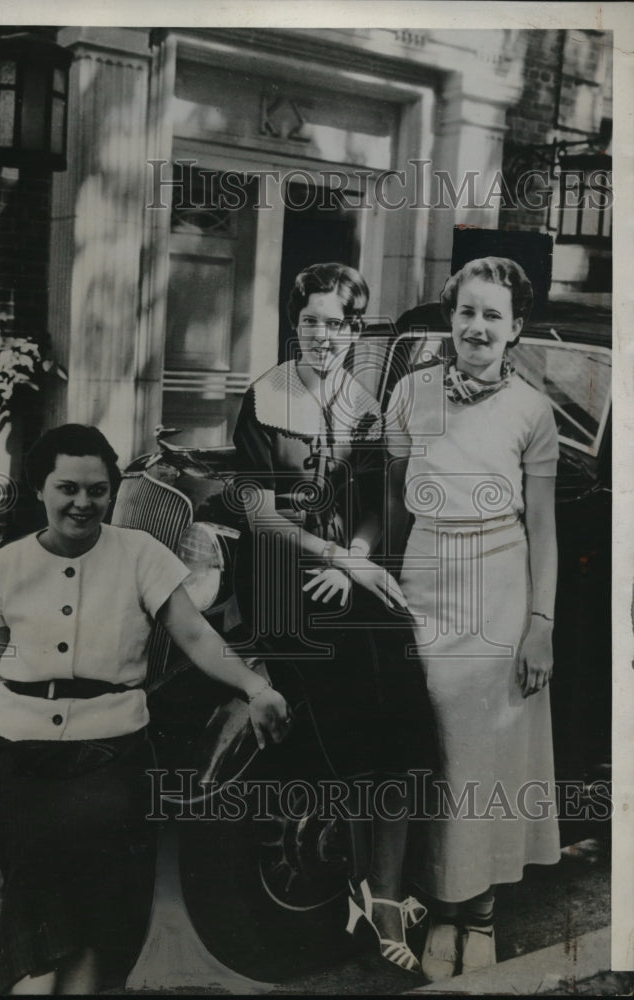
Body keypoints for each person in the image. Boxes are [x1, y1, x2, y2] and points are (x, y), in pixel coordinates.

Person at [0, 423, 290, 995]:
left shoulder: (142, 554)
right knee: (49, 866)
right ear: (40, 488)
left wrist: (254, 687)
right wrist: (3, 733)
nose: (82, 503)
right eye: (67, 488)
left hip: (110, 752)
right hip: (14, 758)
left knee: (80, 882)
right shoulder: (5, 565)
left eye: (97, 490)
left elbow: (194, 635)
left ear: (112, 492)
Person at [232, 261, 438, 975]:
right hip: (282, 578)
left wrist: (353, 553)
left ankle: (384, 895)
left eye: (336, 323)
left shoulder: (364, 405)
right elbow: (258, 514)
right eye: (310, 320)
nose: (322, 334)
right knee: (352, 697)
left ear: (355, 333)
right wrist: (334, 556)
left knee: (402, 684)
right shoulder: (261, 401)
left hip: (344, 570)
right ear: (296, 324)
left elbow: (379, 503)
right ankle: (360, 890)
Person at [385, 257, 561, 979]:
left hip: (501, 583)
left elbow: (545, 527)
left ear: (515, 328)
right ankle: (442, 903)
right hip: (427, 577)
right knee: (436, 750)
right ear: (449, 319)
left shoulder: (531, 411)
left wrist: (541, 622)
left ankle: (478, 914)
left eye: (493, 315)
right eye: (466, 312)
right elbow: (395, 497)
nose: (477, 326)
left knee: (486, 754)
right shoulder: (415, 391)